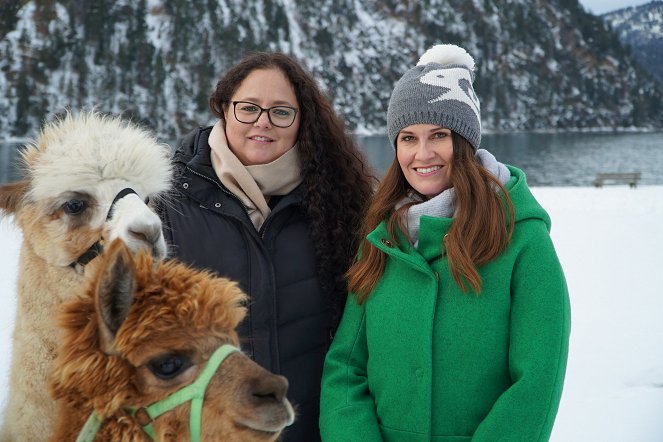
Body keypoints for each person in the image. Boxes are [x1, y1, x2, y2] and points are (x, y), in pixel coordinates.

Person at [319, 44, 571, 441]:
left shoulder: (523, 240)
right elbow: (346, 370)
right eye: (407, 138)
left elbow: (536, 384)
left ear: (465, 142)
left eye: (439, 135)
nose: (422, 154)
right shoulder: (382, 239)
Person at [158, 52, 375, 441]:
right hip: (209, 429)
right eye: (249, 108)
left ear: (301, 122)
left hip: (311, 428)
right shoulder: (167, 202)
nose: (263, 122)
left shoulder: (342, 203)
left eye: (281, 112)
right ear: (224, 109)